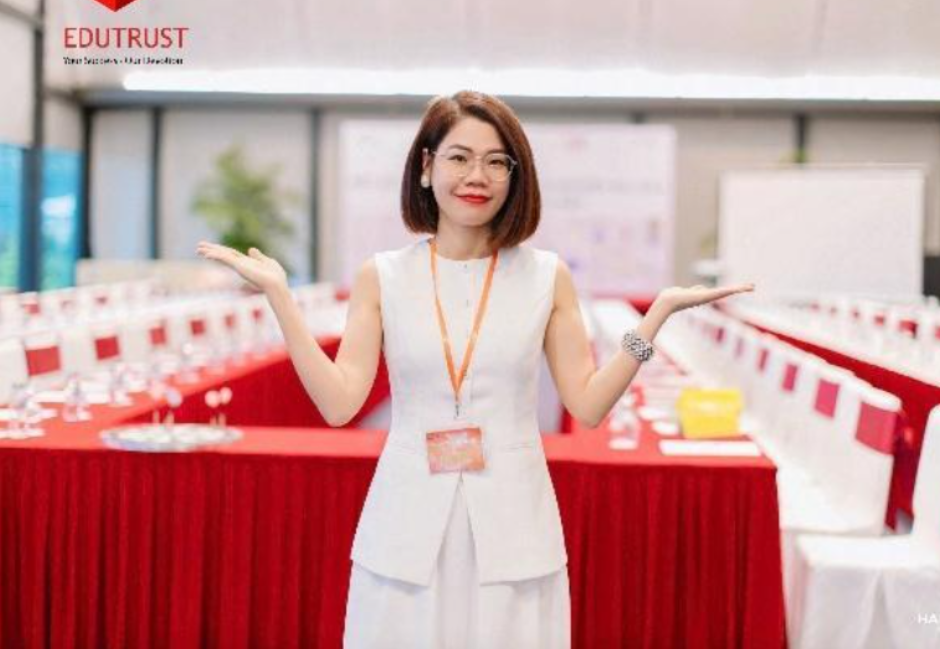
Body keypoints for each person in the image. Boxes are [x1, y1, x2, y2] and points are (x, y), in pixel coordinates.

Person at [197, 90, 755, 648]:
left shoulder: (546, 276)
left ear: (515, 176)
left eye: (495, 162)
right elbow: (340, 403)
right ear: (426, 166)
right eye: (459, 157)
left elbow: (587, 405)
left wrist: (654, 320)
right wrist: (281, 298)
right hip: (406, 523)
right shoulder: (383, 276)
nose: (476, 176)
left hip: (514, 525)